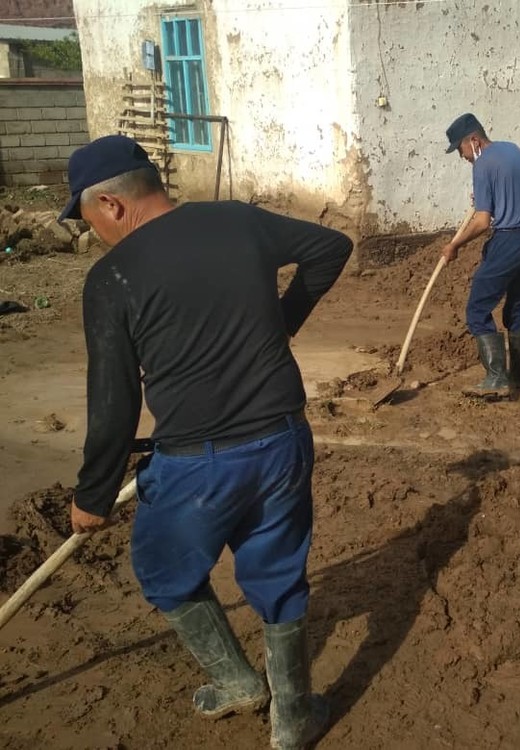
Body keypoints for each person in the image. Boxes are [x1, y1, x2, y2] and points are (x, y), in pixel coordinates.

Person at [62, 135, 353, 750]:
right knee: (278, 572)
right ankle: (293, 718)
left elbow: (114, 403)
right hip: (282, 442)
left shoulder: (112, 277)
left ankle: (238, 682)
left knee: (164, 570)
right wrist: (281, 323)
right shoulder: (238, 220)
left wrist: (92, 495)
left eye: (88, 221)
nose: (95, 235)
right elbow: (331, 247)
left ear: (111, 204)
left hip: (197, 465)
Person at [440, 113, 520, 399]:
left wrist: (455, 244)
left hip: (508, 241)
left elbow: (482, 222)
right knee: (517, 308)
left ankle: (496, 378)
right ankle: (517, 377)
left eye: (460, 149)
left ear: (474, 140)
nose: (462, 157)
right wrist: (492, 198)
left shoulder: (483, 164)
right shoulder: (514, 151)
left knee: (477, 309)